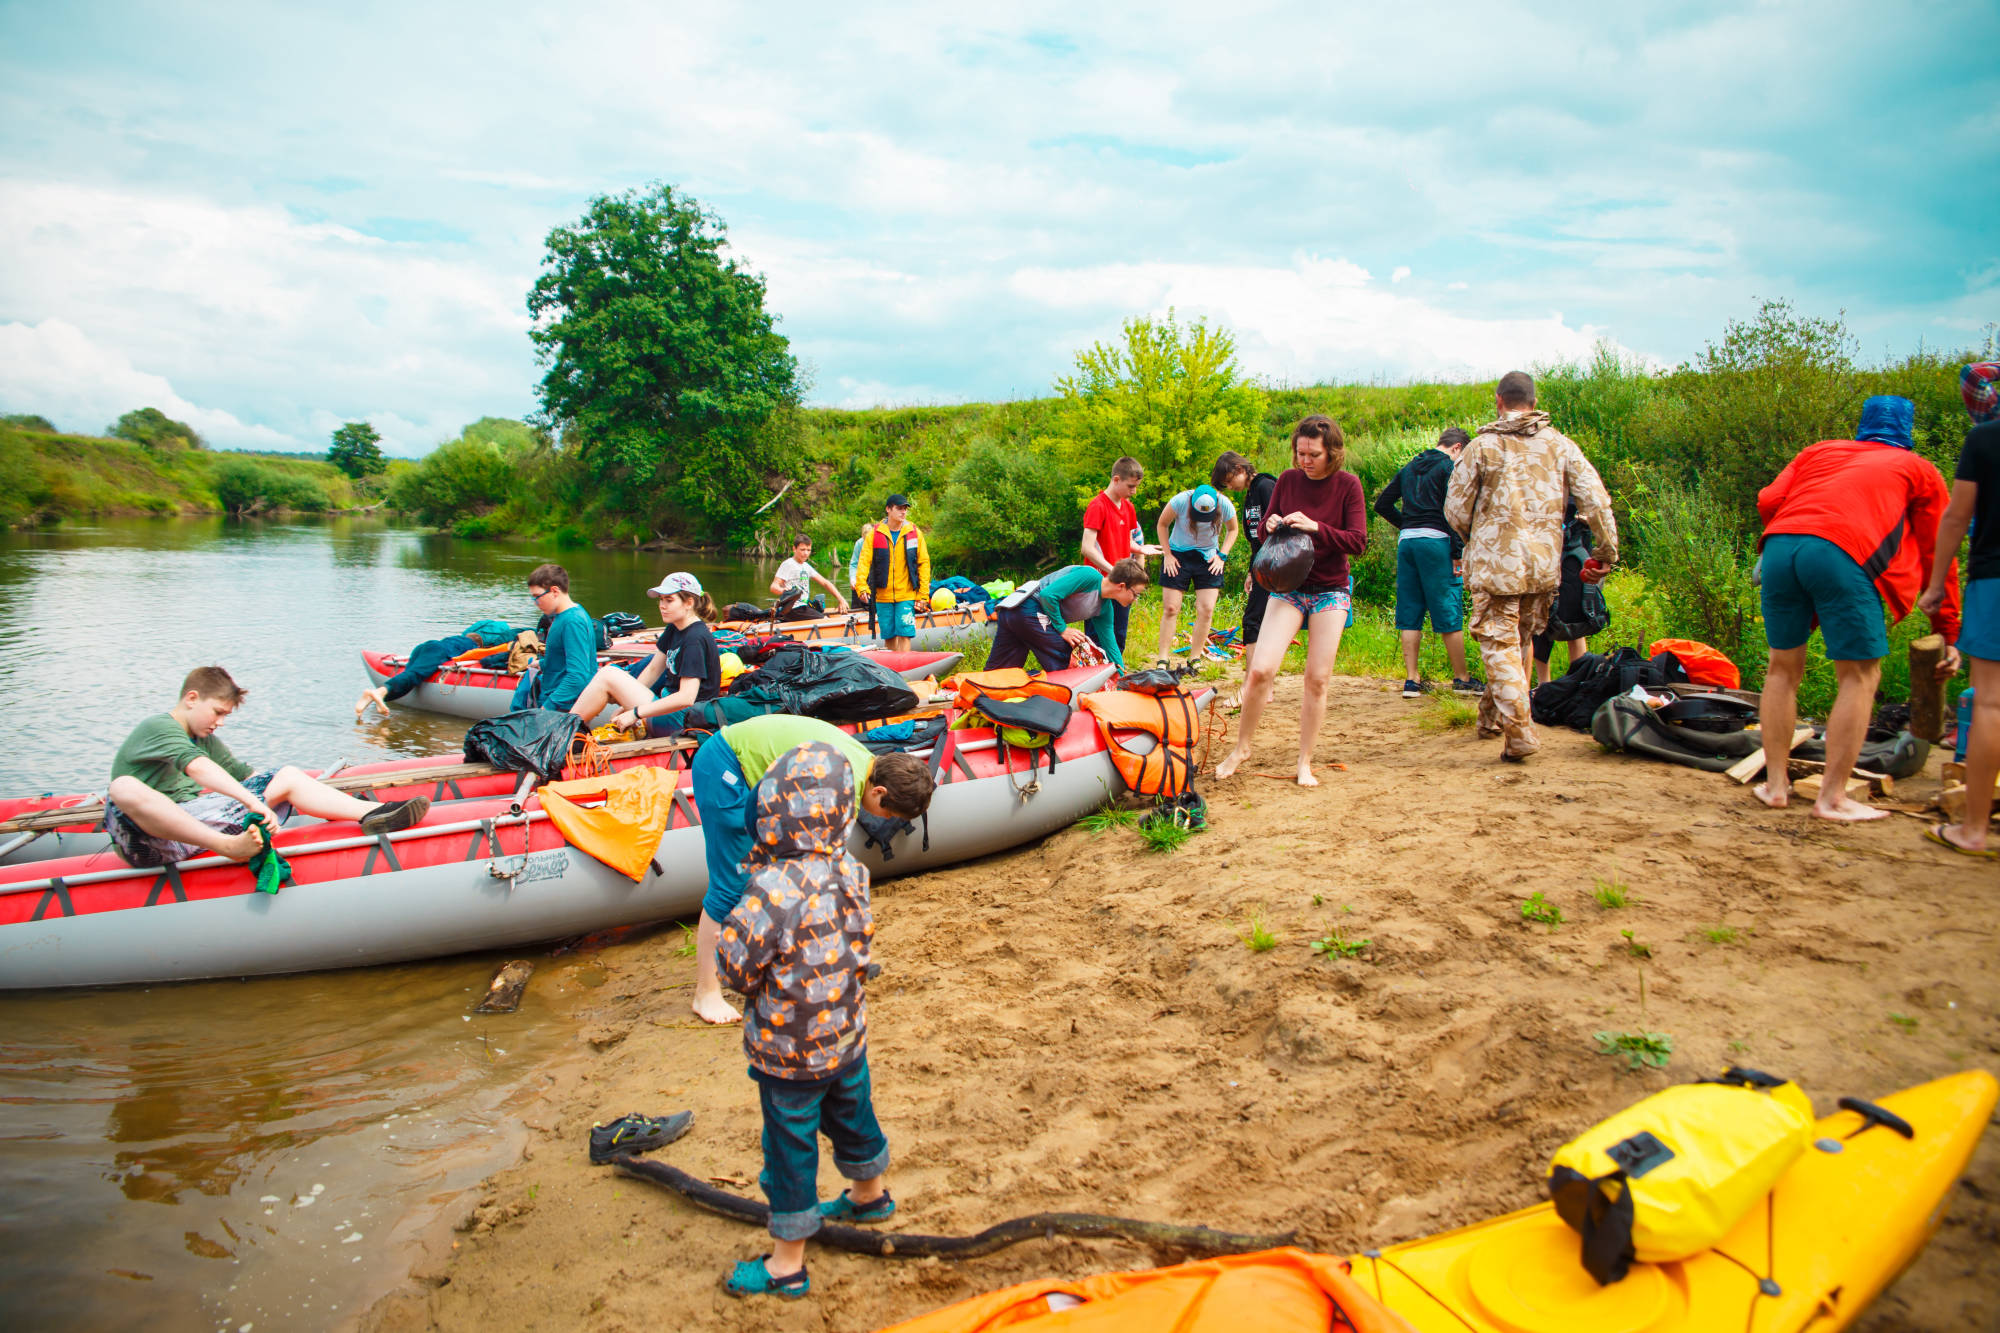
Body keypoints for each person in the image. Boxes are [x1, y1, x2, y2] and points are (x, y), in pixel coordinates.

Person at [716, 741, 893, 1300]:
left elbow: (735, 964)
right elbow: (862, 945)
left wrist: (748, 984)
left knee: (790, 1149)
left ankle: (786, 1264)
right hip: (846, 1035)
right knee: (852, 1115)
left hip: (787, 1053)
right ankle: (871, 1196)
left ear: (770, 811)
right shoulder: (852, 871)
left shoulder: (771, 888)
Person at [1748, 395, 1960, 823]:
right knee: (1860, 674)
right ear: (1907, 433)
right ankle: (1832, 798)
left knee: (1781, 668)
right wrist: (1947, 631)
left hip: (1779, 546)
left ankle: (1774, 787)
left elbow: (1769, 499)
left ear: (1862, 426)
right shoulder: (1918, 469)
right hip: (1842, 552)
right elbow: (1939, 549)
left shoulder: (1820, 451)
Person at [690, 714, 935, 1025]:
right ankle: (706, 993)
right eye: (889, 815)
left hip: (761, 781)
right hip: (726, 765)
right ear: (879, 793)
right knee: (731, 885)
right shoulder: (840, 785)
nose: (885, 821)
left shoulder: (870, 768)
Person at [1443, 372, 1617, 763]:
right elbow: (1597, 501)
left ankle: (1520, 731)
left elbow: (1454, 510)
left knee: (1499, 643)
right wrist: (1605, 553)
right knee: (1514, 642)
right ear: (1535, 402)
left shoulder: (1483, 447)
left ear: (1499, 400)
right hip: (1541, 565)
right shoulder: (1560, 445)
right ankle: (1489, 720)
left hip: (1496, 566)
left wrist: (1481, 533)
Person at [106, 666, 430, 868]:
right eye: (217, 712)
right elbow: (199, 769)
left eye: (225, 717)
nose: (219, 722)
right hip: (145, 839)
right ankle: (230, 849)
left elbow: (244, 773)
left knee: (285, 774)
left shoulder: (203, 737)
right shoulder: (160, 728)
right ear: (192, 698)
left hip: (191, 828)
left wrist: (304, 793)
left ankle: (371, 814)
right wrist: (251, 802)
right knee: (121, 787)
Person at [1215, 416, 1368, 786]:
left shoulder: (1348, 485)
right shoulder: (1286, 480)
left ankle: (1304, 761)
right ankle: (1241, 748)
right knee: (1261, 670)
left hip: (1330, 590)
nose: (1305, 460)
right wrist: (1271, 524)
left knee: (1316, 680)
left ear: (1332, 452)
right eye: (1300, 453)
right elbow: (1267, 523)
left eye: (1313, 454)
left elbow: (1358, 542)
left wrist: (1316, 527)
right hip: (1288, 588)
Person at [1921, 363, 2000, 854]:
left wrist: (1935, 586)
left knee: (1991, 701)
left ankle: (1973, 830)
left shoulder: (1986, 440)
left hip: (1995, 577)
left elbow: (1955, 517)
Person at [1374, 428, 1476, 696]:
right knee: (1447, 607)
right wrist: (1458, 552)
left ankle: (1411, 680)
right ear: (1456, 448)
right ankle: (1462, 678)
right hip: (1437, 542)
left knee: (1410, 609)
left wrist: (1407, 525)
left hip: (1407, 542)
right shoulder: (1448, 468)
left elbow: (1382, 504)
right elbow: (1453, 511)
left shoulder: (1410, 467)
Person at [566, 573, 721, 735]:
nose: (662, 605)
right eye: (660, 599)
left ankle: (562, 733)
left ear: (689, 603)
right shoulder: (675, 627)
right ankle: (568, 732)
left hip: (683, 721)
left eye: (669, 600)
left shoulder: (694, 638)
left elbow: (686, 698)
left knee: (608, 674)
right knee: (609, 676)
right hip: (668, 711)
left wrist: (636, 712)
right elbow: (653, 670)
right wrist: (624, 704)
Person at [988, 559, 1149, 673]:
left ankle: (981, 699)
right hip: (1026, 606)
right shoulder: (1090, 576)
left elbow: (1110, 645)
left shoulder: (1105, 608)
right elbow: (1048, 595)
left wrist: (1122, 677)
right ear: (1122, 586)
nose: (1135, 600)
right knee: (1068, 657)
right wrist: (1062, 629)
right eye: (1136, 595)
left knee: (1002, 669)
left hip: (1013, 614)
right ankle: (1065, 703)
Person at [1079, 456, 1160, 663]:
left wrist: (1141, 548)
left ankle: (1115, 675)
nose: (1134, 491)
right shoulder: (1098, 506)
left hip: (1123, 585)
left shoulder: (1128, 507)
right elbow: (1087, 547)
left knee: (1118, 635)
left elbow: (1125, 539)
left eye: (1136, 487)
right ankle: (1094, 679)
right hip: (1102, 584)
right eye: (1131, 486)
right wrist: (1112, 570)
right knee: (1096, 639)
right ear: (1116, 480)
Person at [355, 618, 517, 715]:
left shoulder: (461, 639)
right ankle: (379, 692)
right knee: (415, 674)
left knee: (412, 674)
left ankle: (379, 696)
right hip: (437, 650)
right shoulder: (474, 647)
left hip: (427, 647)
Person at [1155, 480, 1240, 662]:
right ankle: (1163, 659)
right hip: (1178, 554)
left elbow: (1233, 529)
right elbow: (1162, 524)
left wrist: (1222, 556)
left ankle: (1195, 659)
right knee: (1171, 608)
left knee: (1206, 609)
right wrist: (1167, 555)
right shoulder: (1180, 501)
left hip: (1208, 557)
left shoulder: (1224, 503)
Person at [512, 564, 597, 713]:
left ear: (554, 591)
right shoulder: (563, 616)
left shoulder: (572, 621)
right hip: (554, 701)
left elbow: (578, 675)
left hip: (560, 708)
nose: (536, 603)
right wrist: (543, 664)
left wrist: (548, 707)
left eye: (537, 597)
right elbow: (563, 660)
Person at [1532, 501, 1599, 684]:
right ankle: (1543, 685)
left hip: (1571, 551)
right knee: (1540, 623)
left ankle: (1578, 682)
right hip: (1547, 552)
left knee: (1575, 621)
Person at [854, 494, 930, 652]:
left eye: (905, 509)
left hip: (907, 595)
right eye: (899, 508)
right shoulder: (875, 534)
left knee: (905, 633)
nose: (903, 512)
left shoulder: (914, 532)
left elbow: (923, 563)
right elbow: (864, 562)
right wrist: (861, 586)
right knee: (889, 635)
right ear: (888, 509)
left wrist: (923, 594)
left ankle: (905, 667)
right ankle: (894, 671)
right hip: (883, 596)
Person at [1236, 457, 1281, 646]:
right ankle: (1257, 673)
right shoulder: (1250, 493)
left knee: (1254, 620)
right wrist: (1251, 571)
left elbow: (1279, 524)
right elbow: (1255, 540)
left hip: (1274, 563)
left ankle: (1254, 675)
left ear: (1239, 469)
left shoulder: (1265, 486)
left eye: (1229, 480)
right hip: (1260, 563)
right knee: (1255, 620)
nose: (1230, 486)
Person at [769, 534, 848, 613]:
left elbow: (825, 583)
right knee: (824, 620)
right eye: (802, 550)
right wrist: (783, 590)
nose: (806, 553)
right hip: (793, 608)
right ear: (794, 549)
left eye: (808, 550)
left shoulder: (806, 566)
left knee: (823, 612)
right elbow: (773, 587)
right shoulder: (788, 564)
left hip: (803, 606)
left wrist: (841, 599)